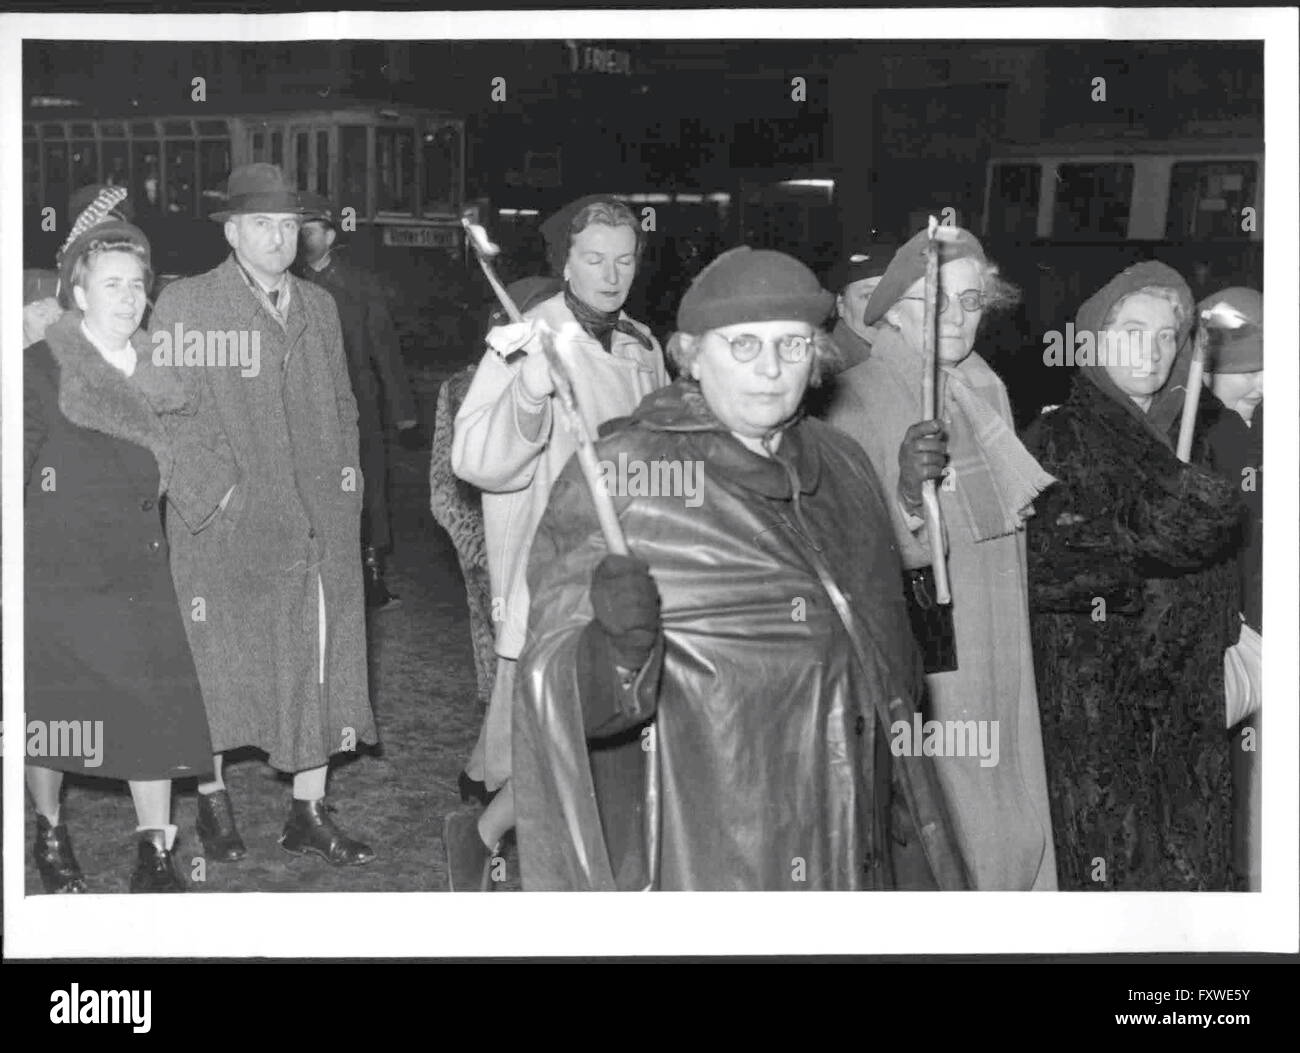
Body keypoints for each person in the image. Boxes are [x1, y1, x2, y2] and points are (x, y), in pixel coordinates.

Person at [513, 246, 968, 890]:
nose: (771, 369)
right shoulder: (625, 472)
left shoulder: (844, 465)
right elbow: (552, 690)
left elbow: (889, 662)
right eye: (744, 345)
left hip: (855, 839)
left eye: (791, 345)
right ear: (693, 355)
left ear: (818, 358)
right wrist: (615, 653)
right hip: (719, 850)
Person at [151, 163, 378, 867]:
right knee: (218, 663)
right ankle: (212, 795)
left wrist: (348, 489)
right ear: (230, 229)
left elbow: (343, 404)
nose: (278, 238)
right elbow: (164, 412)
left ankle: (307, 808)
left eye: (288, 224)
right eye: (261, 223)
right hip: (223, 521)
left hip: (313, 519)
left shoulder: (319, 305)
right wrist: (215, 495)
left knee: (318, 657)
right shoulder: (187, 304)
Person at [824, 226, 1058, 890]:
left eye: (973, 300)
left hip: (1001, 638)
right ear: (893, 310)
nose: (959, 318)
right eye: (937, 303)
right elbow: (853, 555)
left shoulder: (984, 388)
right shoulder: (856, 395)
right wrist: (904, 495)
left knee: (1017, 806)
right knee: (961, 826)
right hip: (934, 653)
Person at [444, 196, 667, 890]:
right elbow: (474, 457)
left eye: (625, 260)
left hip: (628, 567)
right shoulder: (526, 334)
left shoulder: (641, 342)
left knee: (605, 731)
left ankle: (544, 853)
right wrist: (531, 397)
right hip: (554, 572)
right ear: (566, 261)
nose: (611, 274)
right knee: (553, 735)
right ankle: (487, 838)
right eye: (595, 259)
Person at [1023, 261, 1246, 890]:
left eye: (1166, 335)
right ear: (1093, 337)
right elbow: (1045, 570)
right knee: (1113, 875)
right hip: (1100, 710)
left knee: (1192, 873)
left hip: (1189, 702)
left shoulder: (1194, 433)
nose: (1150, 350)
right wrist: (1147, 533)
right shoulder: (1056, 438)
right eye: (1131, 331)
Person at [25, 187, 218, 892]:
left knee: (154, 710)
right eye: (111, 283)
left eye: (138, 284)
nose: (129, 297)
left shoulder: (161, 374)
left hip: (141, 572)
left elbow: (194, 470)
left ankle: (154, 850)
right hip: (57, 575)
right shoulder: (39, 372)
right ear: (77, 289)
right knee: (52, 713)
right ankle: (50, 831)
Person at [429, 277, 564, 742]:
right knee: (495, 643)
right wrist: (477, 548)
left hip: (547, 544)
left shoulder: (576, 374)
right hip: (489, 540)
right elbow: (446, 483)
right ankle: (495, 744)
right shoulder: (465, 385)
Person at [297, 194, 418, 611]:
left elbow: (385, 347)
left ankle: (372, 576)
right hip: (304, 404)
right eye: (299, 230)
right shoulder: (289, 283)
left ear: (330, 236)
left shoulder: (360, 284)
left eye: (310, 231)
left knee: (367, 486)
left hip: (357, 399)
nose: (302, 238)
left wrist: (402, 411)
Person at [1198, 286, 1263, 891]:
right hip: (1232, 632)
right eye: (1246, 370)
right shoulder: (1201, 437)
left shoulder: (1262, 427)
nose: (1260, 383)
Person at [827, 237, 897, 373]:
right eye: (869, 296)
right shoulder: (832, 371)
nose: (883, 309)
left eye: (893, 295)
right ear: (841, 305)